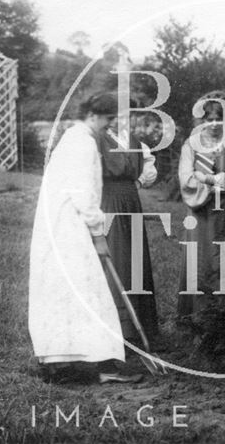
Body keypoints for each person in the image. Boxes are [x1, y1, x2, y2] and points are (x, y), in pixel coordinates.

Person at [29, 92, 135, 383]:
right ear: (94, 115)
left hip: (57, 227)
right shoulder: (84, 143)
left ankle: (63, 364)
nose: (110, 125)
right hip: (70, 227)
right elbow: (83, 194)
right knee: (90, 291)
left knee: (64, 291)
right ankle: (103, 368)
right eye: (109, 119)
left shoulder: (72, 137)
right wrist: (98, 232)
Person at [177, 91, 225, 317]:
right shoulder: (192, 144)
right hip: (202, 211)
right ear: (202, 120)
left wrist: (214, 179)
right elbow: (187, 178)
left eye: (219, 118)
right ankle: (199, 318)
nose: (214, 124)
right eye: (209, 119)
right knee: (202, 259)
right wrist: (218, 181)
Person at [98, 101, 161, 348]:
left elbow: (149, 171)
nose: (119, 119)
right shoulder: (99, 139)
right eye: (114, 114)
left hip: (131, 201)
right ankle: (117, 329)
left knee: (136, 259)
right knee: (118, 258)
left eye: (125, 115)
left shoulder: (134, 141)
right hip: (109, 201)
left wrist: (136, 183)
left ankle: (141, 328)